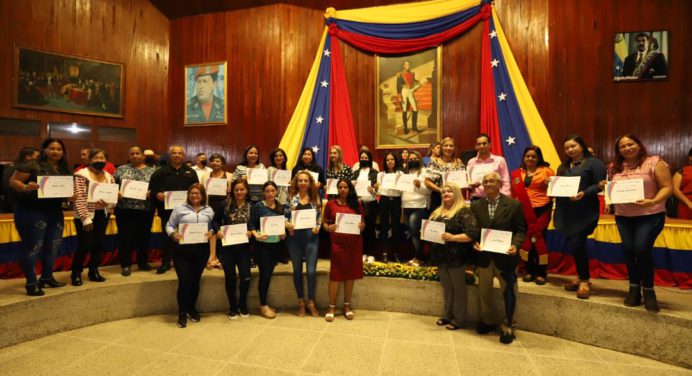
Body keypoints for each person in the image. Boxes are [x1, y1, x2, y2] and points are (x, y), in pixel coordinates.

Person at [607, 135, 672, 311]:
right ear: (618, 150)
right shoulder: (614, 166)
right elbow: (611, 187)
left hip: (650, 214)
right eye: (623, 146)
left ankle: (649, 290)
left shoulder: (654, 162)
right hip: (623, 215)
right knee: (629, 250)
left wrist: (653, 201)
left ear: (639, 144)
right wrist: (606, 192)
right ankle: (634, 288)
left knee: (641, 249)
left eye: (631, 144)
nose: (627, 148)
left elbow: (667, 187)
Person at [9, 139, 69, 296]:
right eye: (51, 148)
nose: (55, 151)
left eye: (59, 149)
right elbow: (13, 181)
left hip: (55, 213)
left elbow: (67, 190)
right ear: (44, 150)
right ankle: (31, 283)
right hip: (31, 211)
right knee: (33, 247)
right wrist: (26, 187)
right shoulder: (33, 164)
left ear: (63, 152)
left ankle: (46, 277)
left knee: (53, 245)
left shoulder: (64, 169)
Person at [471, 172, 526, 344]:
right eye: (486, 181)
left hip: (506, 259)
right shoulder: (476, 206)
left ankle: (509, 325)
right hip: (484, 257)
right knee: (484, 292)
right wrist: (474, 242)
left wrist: (516, 246)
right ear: (482, 185)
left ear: (500, 183)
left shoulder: (513, 205)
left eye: (492, 181)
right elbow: (473, 231)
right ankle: (487, 321)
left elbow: (521, 230)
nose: (489, 184)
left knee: (509, 293)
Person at [553, 135, 606, 299]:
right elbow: (558, 186)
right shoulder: (563, 166)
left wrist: (585, 192)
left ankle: (584, 280)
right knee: (575, 245)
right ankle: (580, 276)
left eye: (573, 146)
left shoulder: (594, 163)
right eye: (567, 147)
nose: (570, 150)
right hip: (565, 212)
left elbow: (601, 184)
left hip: (584, 212)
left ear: (582, 146)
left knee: (577, 243)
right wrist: (552, 185)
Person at [428, 182, 479, 331]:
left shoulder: (463, 211)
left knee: (458, 289)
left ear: (456, 193)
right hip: (441, 256)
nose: (446, 194)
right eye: (443, 192)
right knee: (447, 288)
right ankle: (447, 315)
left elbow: (471, 234)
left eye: (449, 192)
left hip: (457, 257)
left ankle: (459, 319)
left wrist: (453, 237)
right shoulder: (437, 212)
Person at [165, 183, 215, 328]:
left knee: (195, 281)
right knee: (185, 281)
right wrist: (173, 234)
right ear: (188, 195)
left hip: (201, 251)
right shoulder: (179, 209)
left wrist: (211, 232)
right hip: (182, 252)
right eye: (192, 193)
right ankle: (182, 312)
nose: (194, 196)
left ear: (203, 195)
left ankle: (191, 308)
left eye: (197, 193)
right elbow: (169, 224)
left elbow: (211, 226)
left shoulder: (209, 210)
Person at [149, 145, 199, 274]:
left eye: (180, 153)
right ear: (170, 155)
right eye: (174, 153)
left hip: (186, 212)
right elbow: (152, 188)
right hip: (166, 211)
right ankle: (165, 263)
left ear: (184, 156)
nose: (177, 155)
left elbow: (197, 189)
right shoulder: (160, 172)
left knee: (185, 236)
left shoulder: (190, 172)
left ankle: (182, 262)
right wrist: (157, 194)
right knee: (167, 237)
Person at [510, 146, 555, 285]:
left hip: (542, 209)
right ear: (524, 158)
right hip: (523, 210)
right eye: (528, 156)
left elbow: (554, 192)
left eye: (534, 156)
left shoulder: (547, 171)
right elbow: (514, 193)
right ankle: (529, 270)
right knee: (526, 239)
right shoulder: (517, 173)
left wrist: (550, 185)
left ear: (539, 158)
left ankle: (541, 273)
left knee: (539, 239)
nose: (530, 158)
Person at [322, 179, 366, 322]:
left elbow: (363, 223)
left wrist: (361, 226)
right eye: (340, 187)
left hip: (354, 244)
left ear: (349, 189)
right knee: (335, 274)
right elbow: (324, 222)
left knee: (350, 274)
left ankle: (346, 305)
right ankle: (331, 306)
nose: (342, 190)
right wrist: (328, 228)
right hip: (337, 244)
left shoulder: (357, 204)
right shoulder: (330, 204)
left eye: (345, 187)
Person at [72, 148, 115, 286]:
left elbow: (112, 197)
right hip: (86, 215)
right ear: (89, 160)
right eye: (96, 158)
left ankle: (93, 271)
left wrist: (110, 200)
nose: (99, 160)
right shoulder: (81, 175)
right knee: (84, 245)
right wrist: (85, 218)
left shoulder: (109, 176)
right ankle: (76, 273)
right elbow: (78, 197)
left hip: (102, 214)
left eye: (102, 158)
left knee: (98, 244)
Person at [211, 179, 253, 319]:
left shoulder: (251, 206)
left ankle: (242, 304)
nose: (239, 192)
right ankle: (232, 306)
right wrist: (217, 231)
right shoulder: (224, 204)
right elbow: (215, 221)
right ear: (232, 191)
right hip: (227, 247)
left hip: (244, 248)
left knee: (245, 277)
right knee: (230, 277)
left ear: (246, 191)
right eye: (236, 190)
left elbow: (254, 225)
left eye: (242, 189)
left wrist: (251, 232)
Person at [113, 145, 156, 276]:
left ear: (143, 155)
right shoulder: (121, 170)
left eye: (138, 153)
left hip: (145, 210)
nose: (135, 156)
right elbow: (112, 186)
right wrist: (116, 193)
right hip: (124, 210)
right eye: (132, 154)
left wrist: (151, 193)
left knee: (143, 238)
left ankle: (142, 262)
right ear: (129, 155)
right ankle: (125, 264)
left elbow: (157, 189)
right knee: (125, 238)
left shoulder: (152, 171)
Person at [286, 171, 322, 317]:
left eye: (305, 181)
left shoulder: (315, 198)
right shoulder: (290, 198)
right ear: (296, 182)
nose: (302, 183)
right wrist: (288, 225)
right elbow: (284, 218)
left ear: (310, 183)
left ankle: (311, 301)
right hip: (294, 239)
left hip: (311, 238)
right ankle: (301, 301)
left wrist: (317, 228)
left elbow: (319, 218)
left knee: (312, 271)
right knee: (297, 270)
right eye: (300, 180)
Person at [249, 181, 287, 319]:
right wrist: (257, 235)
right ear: (263, 193)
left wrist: (283, 234)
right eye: (267, 191)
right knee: (264, 276)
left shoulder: (280, 206)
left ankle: (265, 303)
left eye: (272, 190)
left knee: (268, 274)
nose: (270, 193)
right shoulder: (258, 206)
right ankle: (263, 305)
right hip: (262, 246)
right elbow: (251, 224)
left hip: (275, 245)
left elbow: (281, 225)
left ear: (276, 192)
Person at [402, 151, 431, 266]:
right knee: (412, 232)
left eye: (414, 158)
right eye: (410, 159)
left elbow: (428, 191)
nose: (412, 160)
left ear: (419, 159)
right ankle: (417, 257)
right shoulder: (406, 173)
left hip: (419, 206)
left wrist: (420, 186)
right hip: (406, 206)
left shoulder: (424, 172)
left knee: (415, 233)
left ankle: (419, 258)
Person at [426, 137, 466, 210]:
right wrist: (441, 190)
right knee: (438, 221)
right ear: (441, 148)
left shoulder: (458, 161)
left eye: (451, 146)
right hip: (438, 199)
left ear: (454, 148)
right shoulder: (434, 162)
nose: (448, 148)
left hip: (456, 199)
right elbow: (427, 182)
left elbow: (464, 180)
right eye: (446, 145)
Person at [353, 149, 379, 261]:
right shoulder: (355, 173)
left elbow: (378, 189)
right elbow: (350, 189)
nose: (364, 159)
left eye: (366, 158)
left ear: (370, 159)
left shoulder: (375, 173)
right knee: (360, 229)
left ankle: (371, 253)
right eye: (362, 158)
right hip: (359, 204)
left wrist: (373, 189)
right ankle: (362, 252)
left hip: (371, 203)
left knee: (370, 228)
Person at [467, 134, 511, 200]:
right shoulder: (471, 162)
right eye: (479, 144)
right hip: (476, 199)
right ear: (476, 147)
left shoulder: (499, 160)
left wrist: (504, 199)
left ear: (490, 145)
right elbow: (468, 181)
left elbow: (505, 182)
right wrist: (471, 185)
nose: (481, 146)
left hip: (495, 198)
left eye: (484, 143)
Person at [377, 151, 403, 263]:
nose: (390, 161)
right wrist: (377, 187)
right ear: (385, 162)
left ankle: (395, 253)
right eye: (387, 160)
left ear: (395, 161)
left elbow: (402, 189)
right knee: (384, 227)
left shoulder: (401, 174)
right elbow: (379, 190)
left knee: (396, 228)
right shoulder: (380, 174)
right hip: (384, 200)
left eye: (392, 159)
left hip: (396, 201)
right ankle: (384, 253)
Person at [2, 147, 39, 213]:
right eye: (37, 156)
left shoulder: (10, 167)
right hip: (23, 204)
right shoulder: (23, 168)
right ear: (28, 157)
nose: (39, 159)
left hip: (8, 201)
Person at [396, 61, 420, 134]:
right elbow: (398, 85)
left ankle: (414, 127)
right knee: (404, 110)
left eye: (409, 64)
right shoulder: (400, 74)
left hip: (410, 92)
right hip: (404, 92)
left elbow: (413, 81)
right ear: (403, 66)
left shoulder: (412, 73)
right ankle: (405, 128)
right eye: (406, 64)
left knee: (415, 109)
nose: (408, 65)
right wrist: (399, 96)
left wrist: (417, 82)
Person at [672, 148, 692, 219]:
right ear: (690, 157)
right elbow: (675, 189)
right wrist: (689, 203)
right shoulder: (682, 171)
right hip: (686, 205)